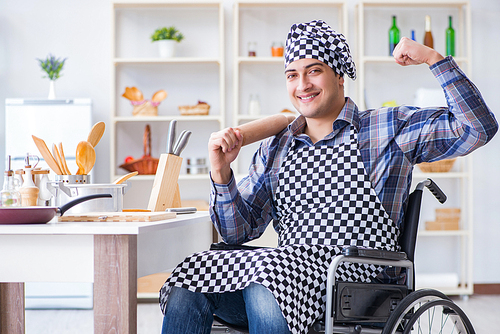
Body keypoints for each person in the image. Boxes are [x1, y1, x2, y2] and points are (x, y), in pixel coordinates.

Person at [159, 20, 497, 334]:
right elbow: (237, 233)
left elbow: (477, 128)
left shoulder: (385, 128)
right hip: (286, 277)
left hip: (359, 279)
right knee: (192, 276)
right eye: (292, 75)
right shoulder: (276, 147)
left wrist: (433, 59)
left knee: (268, 278)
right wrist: (221, 174)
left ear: (339, 76)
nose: (302, 84)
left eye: (314, 71)